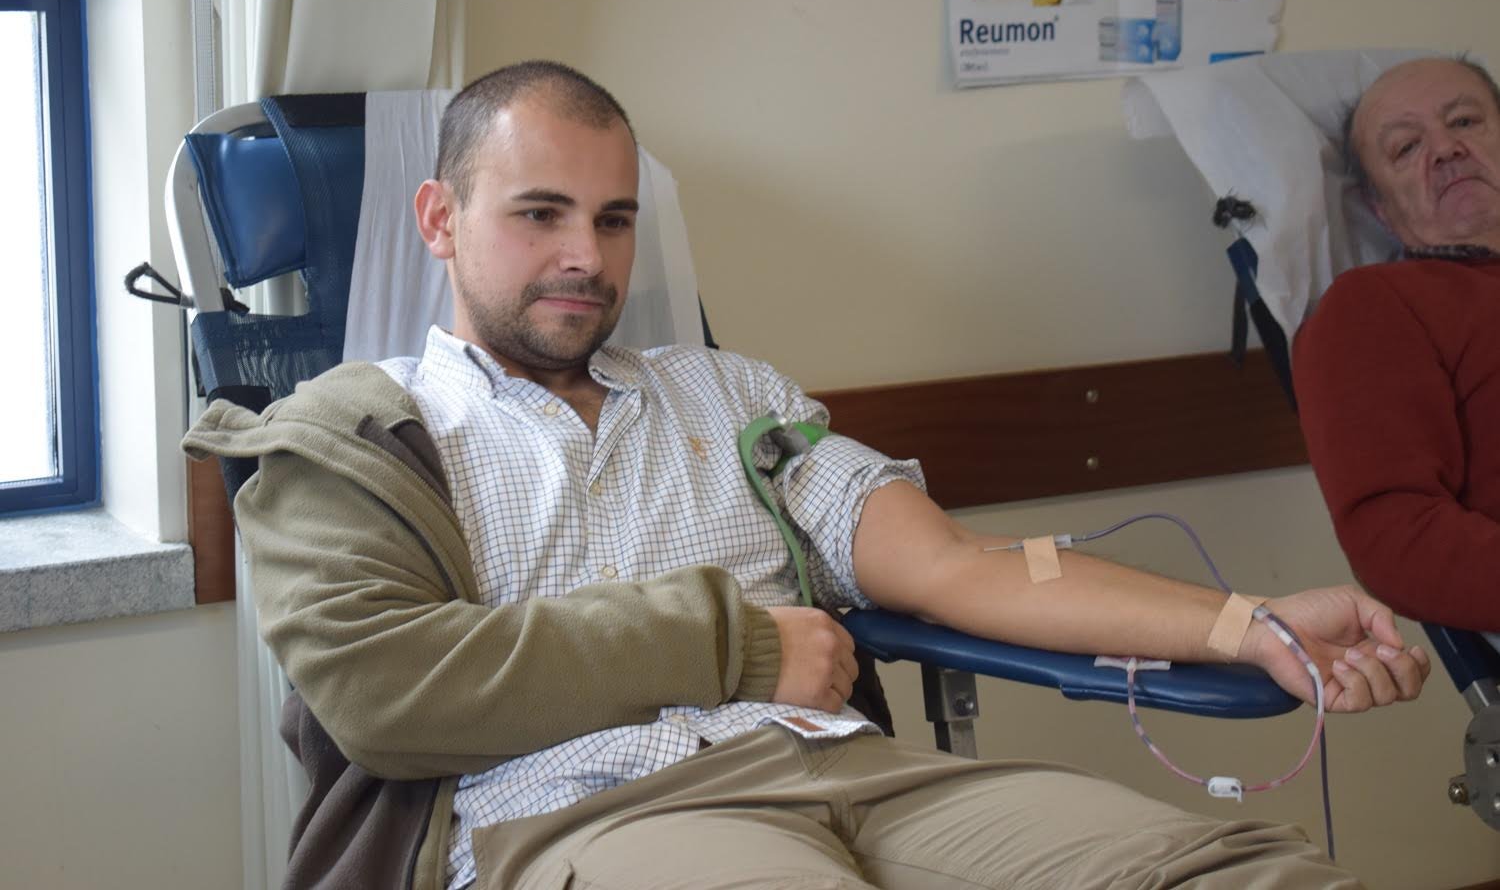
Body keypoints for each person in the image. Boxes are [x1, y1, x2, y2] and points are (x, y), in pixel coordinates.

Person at [185, 60, 1429, 890]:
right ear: (439, 218)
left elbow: (961, 568)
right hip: (591, 816)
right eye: (540, 213)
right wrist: (738, 644)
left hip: (856, 777)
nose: (586, 256)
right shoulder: (354, 438)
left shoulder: (734, 399)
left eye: (615, 220)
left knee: (1252, 873)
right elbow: (388, 691)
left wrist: (1244, 622)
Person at [1295, 55, 1500, 635]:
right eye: (1406, 148)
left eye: (1463, 121)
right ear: (1383, 211)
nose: (1445, 149)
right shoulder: (1375, 305)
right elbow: (1397, 535)